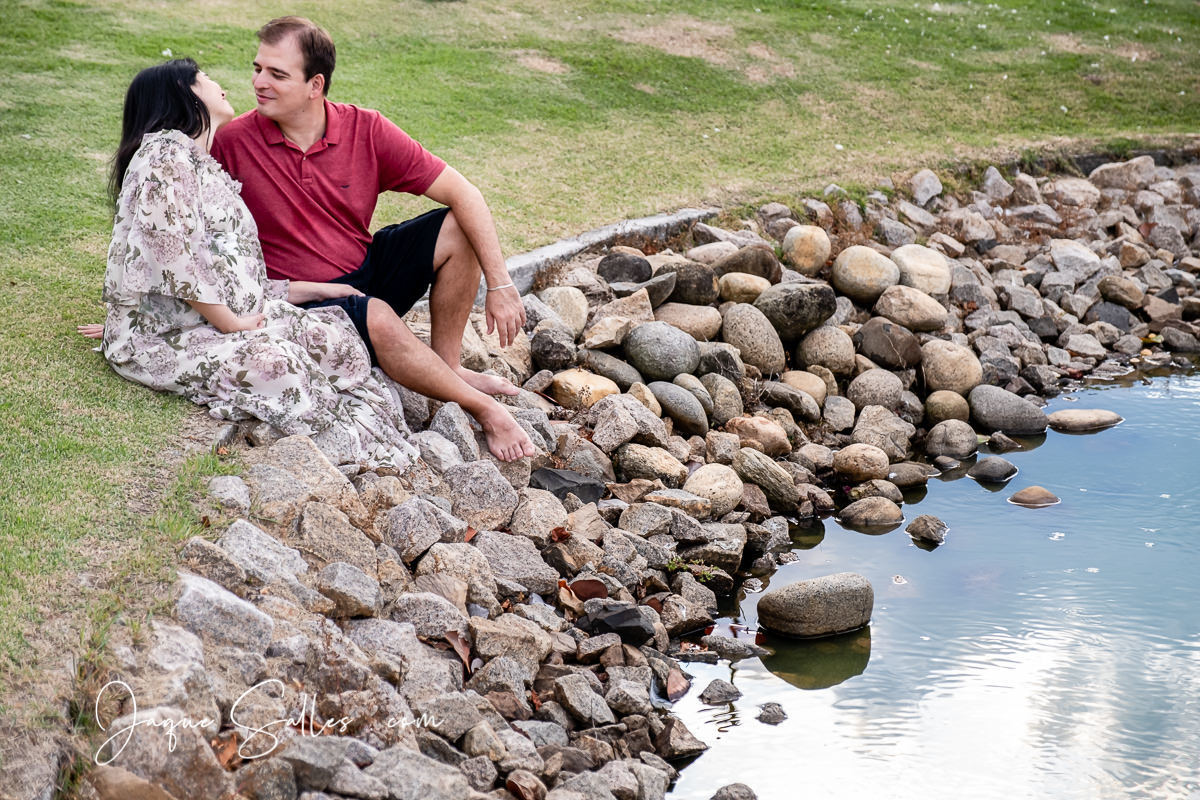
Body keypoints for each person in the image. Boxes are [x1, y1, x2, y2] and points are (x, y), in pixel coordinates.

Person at [209, 16, 536, 462]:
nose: (258, 82)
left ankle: (448, 366)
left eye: (276, 74)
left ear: (315, 85)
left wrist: (499, 284)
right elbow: (180, 232)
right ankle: (481, 406)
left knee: (457, 226)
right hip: (304, 305)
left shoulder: (366, 129)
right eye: (258, 68)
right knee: (378, 316)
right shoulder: (231, 142)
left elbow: (466, 193)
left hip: (364, 272)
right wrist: (138, 314)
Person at [86, 57, 420, 468]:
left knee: (335, 341)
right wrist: (231, 324)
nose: (217, 83)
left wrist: (313, 290)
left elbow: (231, 267)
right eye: (203, 78)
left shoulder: (198, 164)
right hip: (179, 332)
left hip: (220, 318)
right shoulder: (165, 158)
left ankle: (373, 446)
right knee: (281, 365)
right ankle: (345, 461)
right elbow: (172, 256)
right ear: (182, 93)